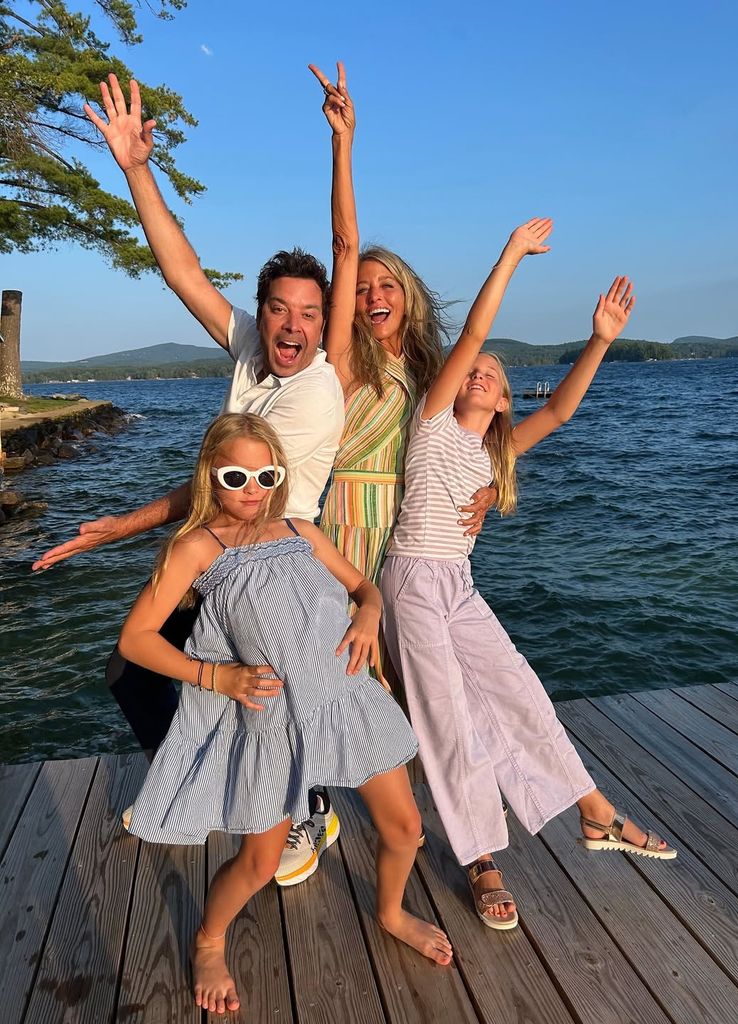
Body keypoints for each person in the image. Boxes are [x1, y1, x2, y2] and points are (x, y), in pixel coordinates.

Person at [31, 74, 345, 886]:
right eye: (279, 309)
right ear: (263, 310)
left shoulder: (314, 392)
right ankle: (212, 782)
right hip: (227, 548)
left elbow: (229, 490)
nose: (293, 325)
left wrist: (121, 526)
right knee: (155, 675)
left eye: (309, 314)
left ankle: (304, 810)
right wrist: (137, 169)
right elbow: (182, 274)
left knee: (198, 678)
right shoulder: (250, 350)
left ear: (321, 322)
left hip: (274, 560)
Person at [380, 218, 676, 932]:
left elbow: (565, 410)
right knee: (448, 721)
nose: (482, 373)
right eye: (476, 370)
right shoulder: (433, 422)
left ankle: (592, 809)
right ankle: (482, 860)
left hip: (458, 587)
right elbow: (476, 333)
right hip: (411, 579)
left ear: (506, 401)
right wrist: (510, 254)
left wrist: (601, 338)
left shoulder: (494, 454)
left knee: (519, 691)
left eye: (495, 378)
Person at [119, 412, 452, 1014]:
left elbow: (365, 589)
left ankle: (391, 910)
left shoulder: (302, 529)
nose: (252, 488)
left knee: (406, 828)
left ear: (279, 475)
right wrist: (215, 675)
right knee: (259, 862)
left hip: (347, 700)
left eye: (265, 474)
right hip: (273, 723)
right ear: (210, 476)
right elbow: (136, 638)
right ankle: (210, 937)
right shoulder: (197, 547)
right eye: (236, 475)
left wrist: (370, 615)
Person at [308, 62, 494, 592]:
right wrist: (343, 143)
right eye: (363, 289)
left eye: (387, 285)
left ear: (408, 296)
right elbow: (345, 245)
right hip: (348, 525)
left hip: (418, 528)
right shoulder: (342, 354)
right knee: (350, 655)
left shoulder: (432, 372)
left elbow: (483, 438)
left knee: (405, 662)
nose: (373, 295)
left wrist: (492, 487)